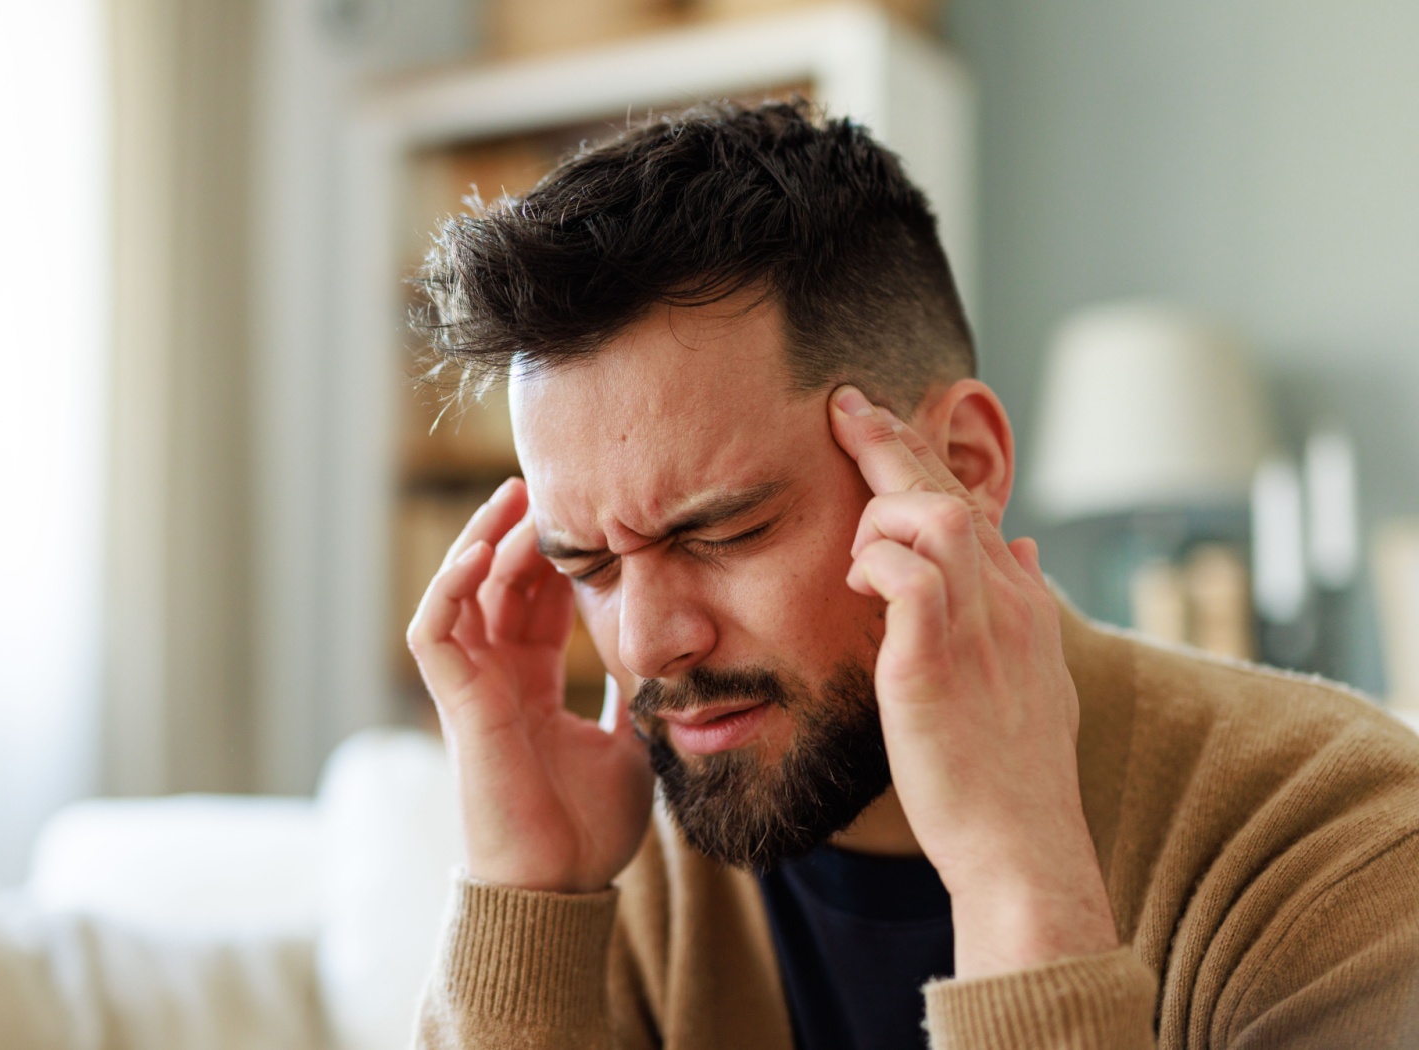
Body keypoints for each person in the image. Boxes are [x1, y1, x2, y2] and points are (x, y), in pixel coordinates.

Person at [404, 100, 1419, 1049]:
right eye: (586, 562)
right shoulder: (634, 870)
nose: (640, 645)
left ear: (963, 471)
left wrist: (1018, 888)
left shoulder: (1339, 846)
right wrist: (528, 898)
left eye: (722, 532)